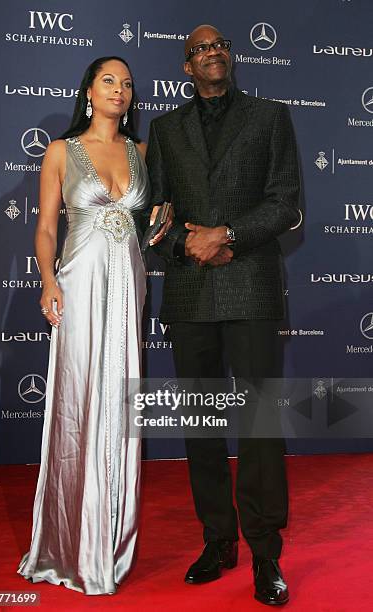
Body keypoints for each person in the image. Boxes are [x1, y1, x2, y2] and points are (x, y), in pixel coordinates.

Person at [146, 25, 300, 606]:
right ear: (187, 68)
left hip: (251, 286)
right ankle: (218, 539)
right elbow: (155, 213)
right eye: (198, 49)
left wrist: (227, 234)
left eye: (219, 45)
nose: (212, 52)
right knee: (202, 427)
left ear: (229, 58)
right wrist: (186, 243)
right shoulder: (164, 131)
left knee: (260, 424)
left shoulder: (270, 117)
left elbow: (286, 202)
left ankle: (265, 552)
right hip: (190, 292)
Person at [18, 56, 151, 595]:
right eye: (108, 81)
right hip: (78, 282)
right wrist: (48, 281)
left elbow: (158, 210)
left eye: (126, 83)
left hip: (128, 287)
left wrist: (160, 225)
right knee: (78, 403)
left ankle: (112, 541)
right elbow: (46, 227)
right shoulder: (59, 151)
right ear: (89, 93)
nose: (119, 90)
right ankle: (68, 545)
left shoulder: (143, 153)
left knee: (121, 404)